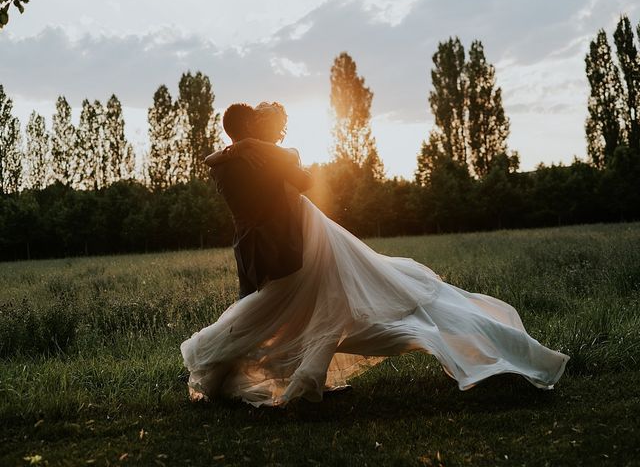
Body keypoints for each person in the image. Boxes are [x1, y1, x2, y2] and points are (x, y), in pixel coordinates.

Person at [181, 102, 569, 407]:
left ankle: (304, 379)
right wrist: (259, 148)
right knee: (332, 307)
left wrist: (246, 145)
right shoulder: (267, 156)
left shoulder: (230, 161)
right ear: (251, 130)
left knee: (315, 310)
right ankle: (299, 378)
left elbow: (228, 162)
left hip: (271, 244)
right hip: (302, 240)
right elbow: (304, 183)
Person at [205, 102, 311, 299]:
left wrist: (238, 148)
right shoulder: (266, 160)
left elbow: (208, 159)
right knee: (287, 301)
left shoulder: (217, 168)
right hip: (279, 242)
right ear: (247, 125)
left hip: (244, 247)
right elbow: (306, 182)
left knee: (251, 304)